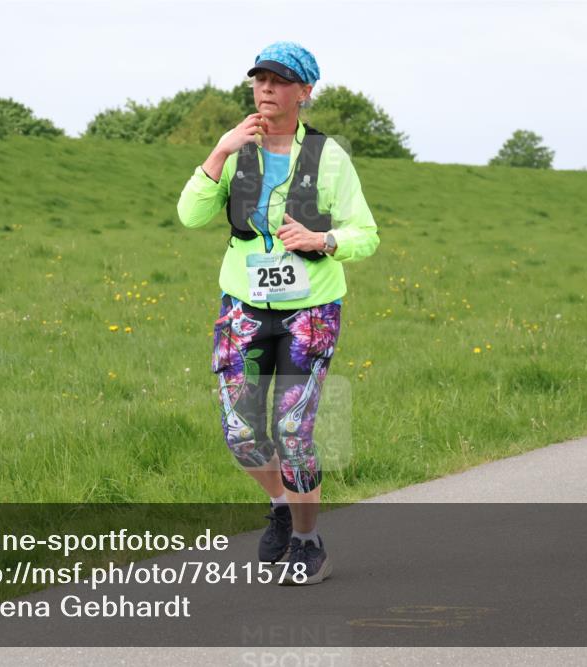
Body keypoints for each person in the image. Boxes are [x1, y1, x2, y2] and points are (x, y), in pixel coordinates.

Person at [177, 42, 379, 584]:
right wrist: (218, 153)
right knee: (241, 432)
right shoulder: (236, 148)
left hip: (310, 310)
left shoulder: (329, 156)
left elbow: (367, 235)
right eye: (260, 78)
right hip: (242, 305)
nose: (266, 88)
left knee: (293, 430)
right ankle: (282, 506)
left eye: (280, 80)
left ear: (304, 91)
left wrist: (323, 238)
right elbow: (191, 215)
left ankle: (310, 542)